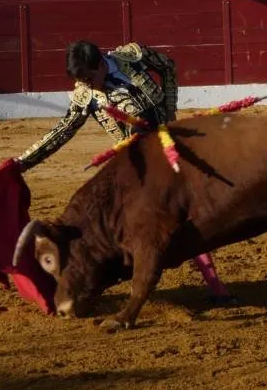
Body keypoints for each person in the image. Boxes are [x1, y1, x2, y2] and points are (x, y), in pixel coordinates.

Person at [16, 40, 232, 300]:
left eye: (89, 77)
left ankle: (213, 285)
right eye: (81, 80)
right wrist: (22, 162)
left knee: (192, 211)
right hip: (137, 164)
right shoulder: (85, 96)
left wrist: (169, 109)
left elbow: (168, 67)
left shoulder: (132, 57)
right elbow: (62, 131)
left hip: (171, 145)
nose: (87, 85)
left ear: (100, 65)